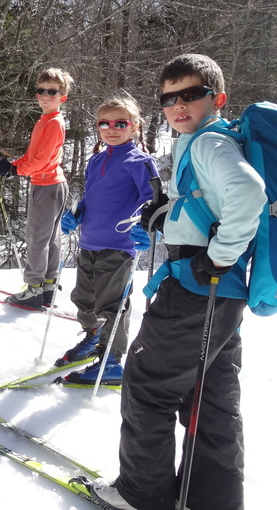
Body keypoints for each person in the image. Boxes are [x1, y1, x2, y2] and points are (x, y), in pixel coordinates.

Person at [91, 54, 267, 510]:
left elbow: (247, 192)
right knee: (211, 398)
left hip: (195, 287)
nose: (178, 105)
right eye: (169, 99)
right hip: (223, 296)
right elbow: (209, 203)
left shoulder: (209, 143)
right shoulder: (209, 140)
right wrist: (166, 213)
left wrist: (218, 256)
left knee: (147, 384)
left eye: (191, 94)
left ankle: (140, 495)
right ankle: (212, 499)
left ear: (218, 99)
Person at [55, 95, 158, 387]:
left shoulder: (140, 161)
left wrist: (146, 225)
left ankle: (111, 360)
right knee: (84, 298)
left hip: (120, 245)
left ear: (135, 127)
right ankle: (94, 337)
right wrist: (76, 213)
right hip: (90, 241)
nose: (111, 129)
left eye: (120, 124)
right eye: (104, 124)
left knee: (112, 304)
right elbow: (91, 197)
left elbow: (151, 200)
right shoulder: (97, 159)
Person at [0, 68, 72, 308]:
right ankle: (48, 286)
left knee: (37, 238)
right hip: (52, 183)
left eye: (52, 92)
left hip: (46, 185)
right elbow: (32, 156)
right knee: (50, 238)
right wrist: (9, 166)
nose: (45, 96)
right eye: (41, 91)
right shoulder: (46, 121)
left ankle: (35, 288)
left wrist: (17, 170)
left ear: (62, 97)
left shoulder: (53, 123)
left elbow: (40, 160)